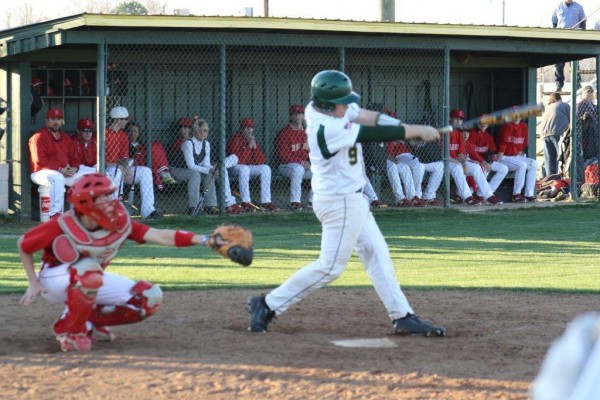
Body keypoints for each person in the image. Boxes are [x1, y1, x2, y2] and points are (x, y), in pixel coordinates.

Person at [247, 69, 446, 337]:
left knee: (377, 254)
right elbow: (369, 133)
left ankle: (403, 316)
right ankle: (267, 305)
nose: (346, 106)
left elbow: (366, 115)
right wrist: (413, 131)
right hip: (339, 203)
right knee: (330, 267)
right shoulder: (325, 126)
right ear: (327, 105)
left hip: (354, 199)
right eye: (341, 103)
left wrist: (405, 127)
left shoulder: (329, 107)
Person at [17, 173, 232, 352]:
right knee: (89, 270)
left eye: (110, 195)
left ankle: (89, 321)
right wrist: (33, 282)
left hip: (88, 277)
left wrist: (205, 239)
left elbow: (160, 235)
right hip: (53, 281)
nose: (111, 202)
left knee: (149, 298)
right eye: (103, 198)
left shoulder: (120, 222)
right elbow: (23, 244)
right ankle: (72, 332)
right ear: (86, 203)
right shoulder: (61, 224)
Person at [28, 108, 96, 219]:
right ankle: (55, 215)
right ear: (47, 120)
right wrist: (60, 169)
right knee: (57, 178)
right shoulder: (39, 137)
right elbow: (39, 161)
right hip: (40, 172)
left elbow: (74, 157)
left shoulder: (65, 137)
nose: (56, 122)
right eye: (53, 119)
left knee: (88, 177)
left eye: (59, 119)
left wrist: (74, 168)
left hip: (64, 171)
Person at [104, 106, 160, 219]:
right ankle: (113, 210)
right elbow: (101, 160)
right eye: (125, 119)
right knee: (116, 171)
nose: (126, 122)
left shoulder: (123, 135)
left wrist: (124, 168)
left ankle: (148, 210)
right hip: (106, 170)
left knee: (146, 171)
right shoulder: (104, 133)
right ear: (118, 120)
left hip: (120, 169)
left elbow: (124, 158)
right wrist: (118, 167)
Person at [448, 109, 502, 205]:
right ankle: (467, 196)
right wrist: (460, 163)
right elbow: (444, 156)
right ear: (450, 119)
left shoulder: (459, 134)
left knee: (477, 167)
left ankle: (489, 195)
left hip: (457, 161)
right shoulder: (445, 133)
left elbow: (461, 154)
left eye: (460, 119)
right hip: (446, 161)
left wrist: (464, 163)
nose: (458, 121)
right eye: (456, 118)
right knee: (458, 168)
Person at [227, 118, 278, 212]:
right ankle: (246, 201)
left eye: (250, 127)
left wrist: (254, 147)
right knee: (244, 169)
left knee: (266, 168)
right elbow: (239, 161)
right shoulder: (235, 139)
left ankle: (266, 201)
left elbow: (261, 161)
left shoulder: (251, 139)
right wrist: (249, 146)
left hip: (246, 166)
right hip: (233, 168)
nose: (249, 130)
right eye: (246, 127)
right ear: (241, 129)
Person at [274, 104, 313, 210]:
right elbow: (283, 155)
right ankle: (295, 202)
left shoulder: (307, 132)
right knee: (298, 169)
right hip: (285, 166)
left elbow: (311, 152)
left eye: (300, 114)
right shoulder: (285, 133)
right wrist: (301, 162)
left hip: (303, 165)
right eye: (295, 114)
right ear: (291, 116)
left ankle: (312, 201)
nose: (297, 116)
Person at [496, 116, 538, 202]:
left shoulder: (524, 126)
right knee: (522, 165)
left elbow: (522, 145)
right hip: (503, 156)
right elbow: (502, 145)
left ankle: (529, 194)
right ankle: (516, 194)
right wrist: (497, 161)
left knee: (533, 163)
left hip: (515, 156)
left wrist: (518, 158)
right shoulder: (507, 126)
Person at [126, 122, 177, 191]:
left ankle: (162, 174)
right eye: (129, 131)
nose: (132, 133)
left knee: (156, 145)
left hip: (148, 162)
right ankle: (164, 174)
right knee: (152, 149)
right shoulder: (125, 143)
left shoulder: (141, 143)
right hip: (135, 164)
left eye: (135, 131)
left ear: (139, 132)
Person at [467, 119, 509, 196]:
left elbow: (491, 153)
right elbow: (470, 152)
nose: (483, 124)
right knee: (483, 169)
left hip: (484, 161)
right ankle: (473, 194)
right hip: (473, 161)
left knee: (504, 168)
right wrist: (483, 163)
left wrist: (488, 162)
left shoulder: (489, 137)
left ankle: (486, 193)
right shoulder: (471, 134)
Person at [552, 0, 586, 91]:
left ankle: (577, 84)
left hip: (574, 38)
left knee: (574, 62)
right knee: (559, 63)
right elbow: (554, 23)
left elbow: (583, 22)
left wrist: (583, 36)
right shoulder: (558, 6)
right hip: (560, 38)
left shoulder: (579, 7)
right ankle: (559, 85)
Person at [385, 139, 432, 207]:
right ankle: (400, 198)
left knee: (411, 167)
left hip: (402, 157)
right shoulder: (385, 135)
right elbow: (383, 153)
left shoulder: (402, 133)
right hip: (389, 159)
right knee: (395, 167)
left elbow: (412, 143)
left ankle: (413, 197)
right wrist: (392, 158)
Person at [540, 92, 570, 177]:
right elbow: (572, 119)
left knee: (549, 159)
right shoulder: (564, 105)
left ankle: (550, 180)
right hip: (558, 133)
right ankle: (563, 177)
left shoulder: (547, 107)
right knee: (562, 157)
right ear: (560, 98)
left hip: (545, 135)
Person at [576, 85, 598, 162]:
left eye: (591, 91)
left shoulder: (593, 106)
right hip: (585, 133)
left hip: (593, 133)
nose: (590, 93)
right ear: (583, 94)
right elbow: (578, 120)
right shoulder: (580, 105)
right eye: (588, 91)